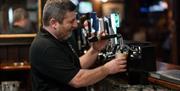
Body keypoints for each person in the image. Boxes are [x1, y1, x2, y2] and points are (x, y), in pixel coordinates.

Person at [29, 0, 127, 91]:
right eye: (71, 21)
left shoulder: (59, 38)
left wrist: (95, 49)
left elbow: (74, 66)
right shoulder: (45, 47)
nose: (76, 25)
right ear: (54, 23)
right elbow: (77, 79)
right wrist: (107, 69)